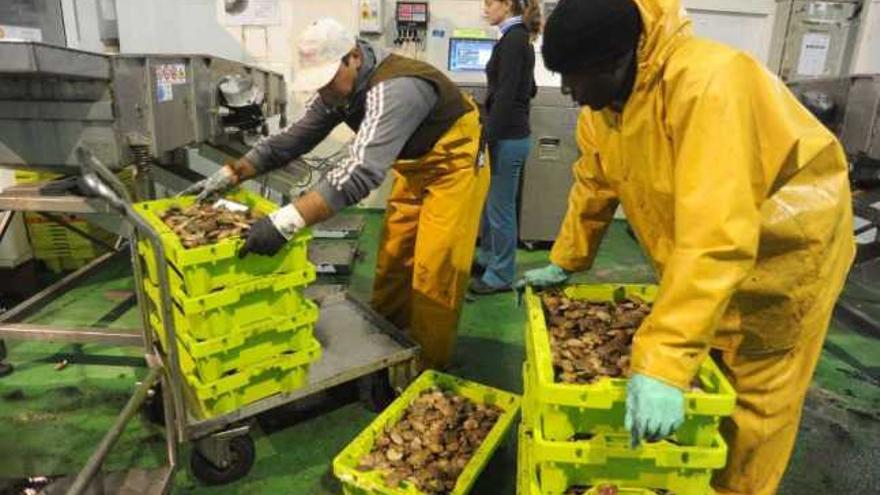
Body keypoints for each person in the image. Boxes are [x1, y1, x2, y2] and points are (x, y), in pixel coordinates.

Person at [522, 0, 855, 493]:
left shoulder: (708, 84)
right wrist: (566, 258)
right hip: (716, 250)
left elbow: (717, 233)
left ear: (616, 60)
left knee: (753, 405)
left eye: (575, 78)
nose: (569, 92)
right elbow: (595, 181)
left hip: (784, 255)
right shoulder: (605, 106)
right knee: (709, 370)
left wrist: (664, 362)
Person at [183, 18, 490, 370]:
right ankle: (385, 349)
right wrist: (231, 173)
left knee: (434, 273)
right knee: (393, 261)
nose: (324, 92)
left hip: (454, 165)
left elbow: (360, 171)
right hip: (413, 167)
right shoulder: (338, 91)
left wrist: (287, 221)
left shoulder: (397, 88)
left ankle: (427, 370)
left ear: (354, 58)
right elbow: (291, 141)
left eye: (328, 80)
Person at [469, 0, 540, 295]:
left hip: (507, 138)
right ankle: (488, 257)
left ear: (507, 4)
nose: (485, 9)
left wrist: (488, 136)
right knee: (492, 205)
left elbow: (508, 95)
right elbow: (530, 87)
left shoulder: (513, 41)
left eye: (489, 3)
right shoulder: (516, 38)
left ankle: (500, 275)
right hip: (509, 134)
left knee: (501, 209)